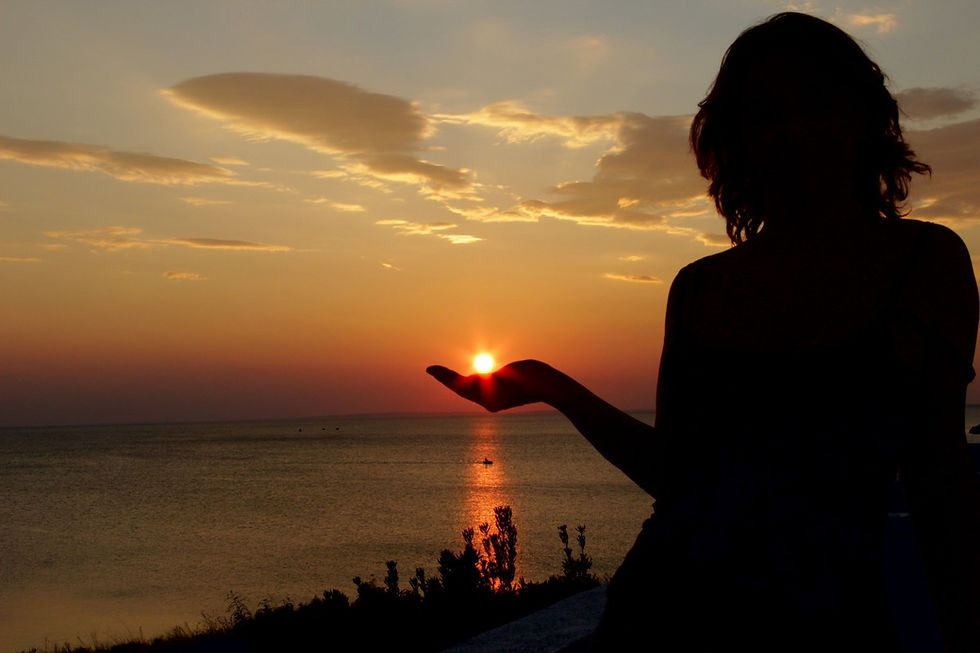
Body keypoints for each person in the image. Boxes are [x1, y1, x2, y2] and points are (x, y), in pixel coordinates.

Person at [427, 12, 980, 652]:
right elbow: (678, 476)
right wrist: (552, 386)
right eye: (767, 115)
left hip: (825, 627)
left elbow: (940, 487)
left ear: (863, 116)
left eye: (816, 104)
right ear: (736, 140)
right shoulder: (700, 287)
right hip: (654, 620)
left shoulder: (922, 263)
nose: (794, 130)